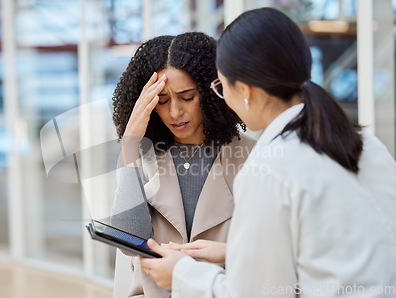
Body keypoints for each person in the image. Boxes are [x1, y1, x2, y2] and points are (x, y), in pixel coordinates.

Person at [140, 8, 396, 297]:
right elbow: (333, 254)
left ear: (246, 90)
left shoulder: (268, 169)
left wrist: (181, 273)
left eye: (221, 87)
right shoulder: (367, 145)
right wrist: (235, 252)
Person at [110, 32, 255, 297]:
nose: (175, 112)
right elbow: (128, 243)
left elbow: (263, 255)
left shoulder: (252, 156)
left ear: (213, 93)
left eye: (187, 97)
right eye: (162, 101)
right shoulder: (142, 156)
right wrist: (130, 147)